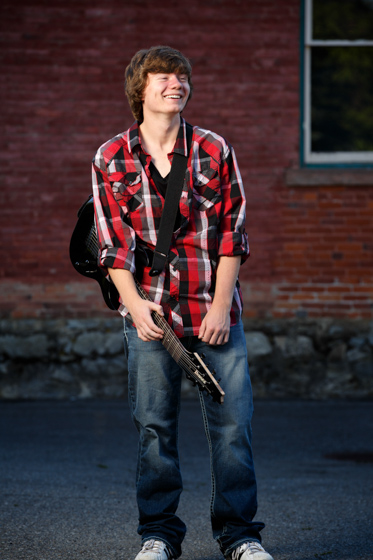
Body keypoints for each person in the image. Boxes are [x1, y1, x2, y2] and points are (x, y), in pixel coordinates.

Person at [92, 45, 273, 560]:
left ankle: (240, 537)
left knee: (234, 428)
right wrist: (134, 304)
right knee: (154, 429)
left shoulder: (214, 149)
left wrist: (221, 306)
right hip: (150, 318)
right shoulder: (110, 157)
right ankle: (159, 536)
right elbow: (111, 245)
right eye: (163, 77)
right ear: (139, 90)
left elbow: (232, 234)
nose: (176, 83)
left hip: (213, 314)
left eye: (181, 76)